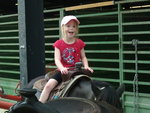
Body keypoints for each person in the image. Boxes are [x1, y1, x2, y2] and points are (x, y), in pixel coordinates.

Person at [39, 15, 93, 103]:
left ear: (76, 29)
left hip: (77, 70)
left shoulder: (79, 42)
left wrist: (86, 66)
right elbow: (57, 59)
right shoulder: (58, 44)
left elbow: (83, 57)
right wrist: (62, 68)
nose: (71, 28)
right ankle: (39, 104)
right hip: (64, 71)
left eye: (74, 26)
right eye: (68, 26)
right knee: (48, 86)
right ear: (63, 28)